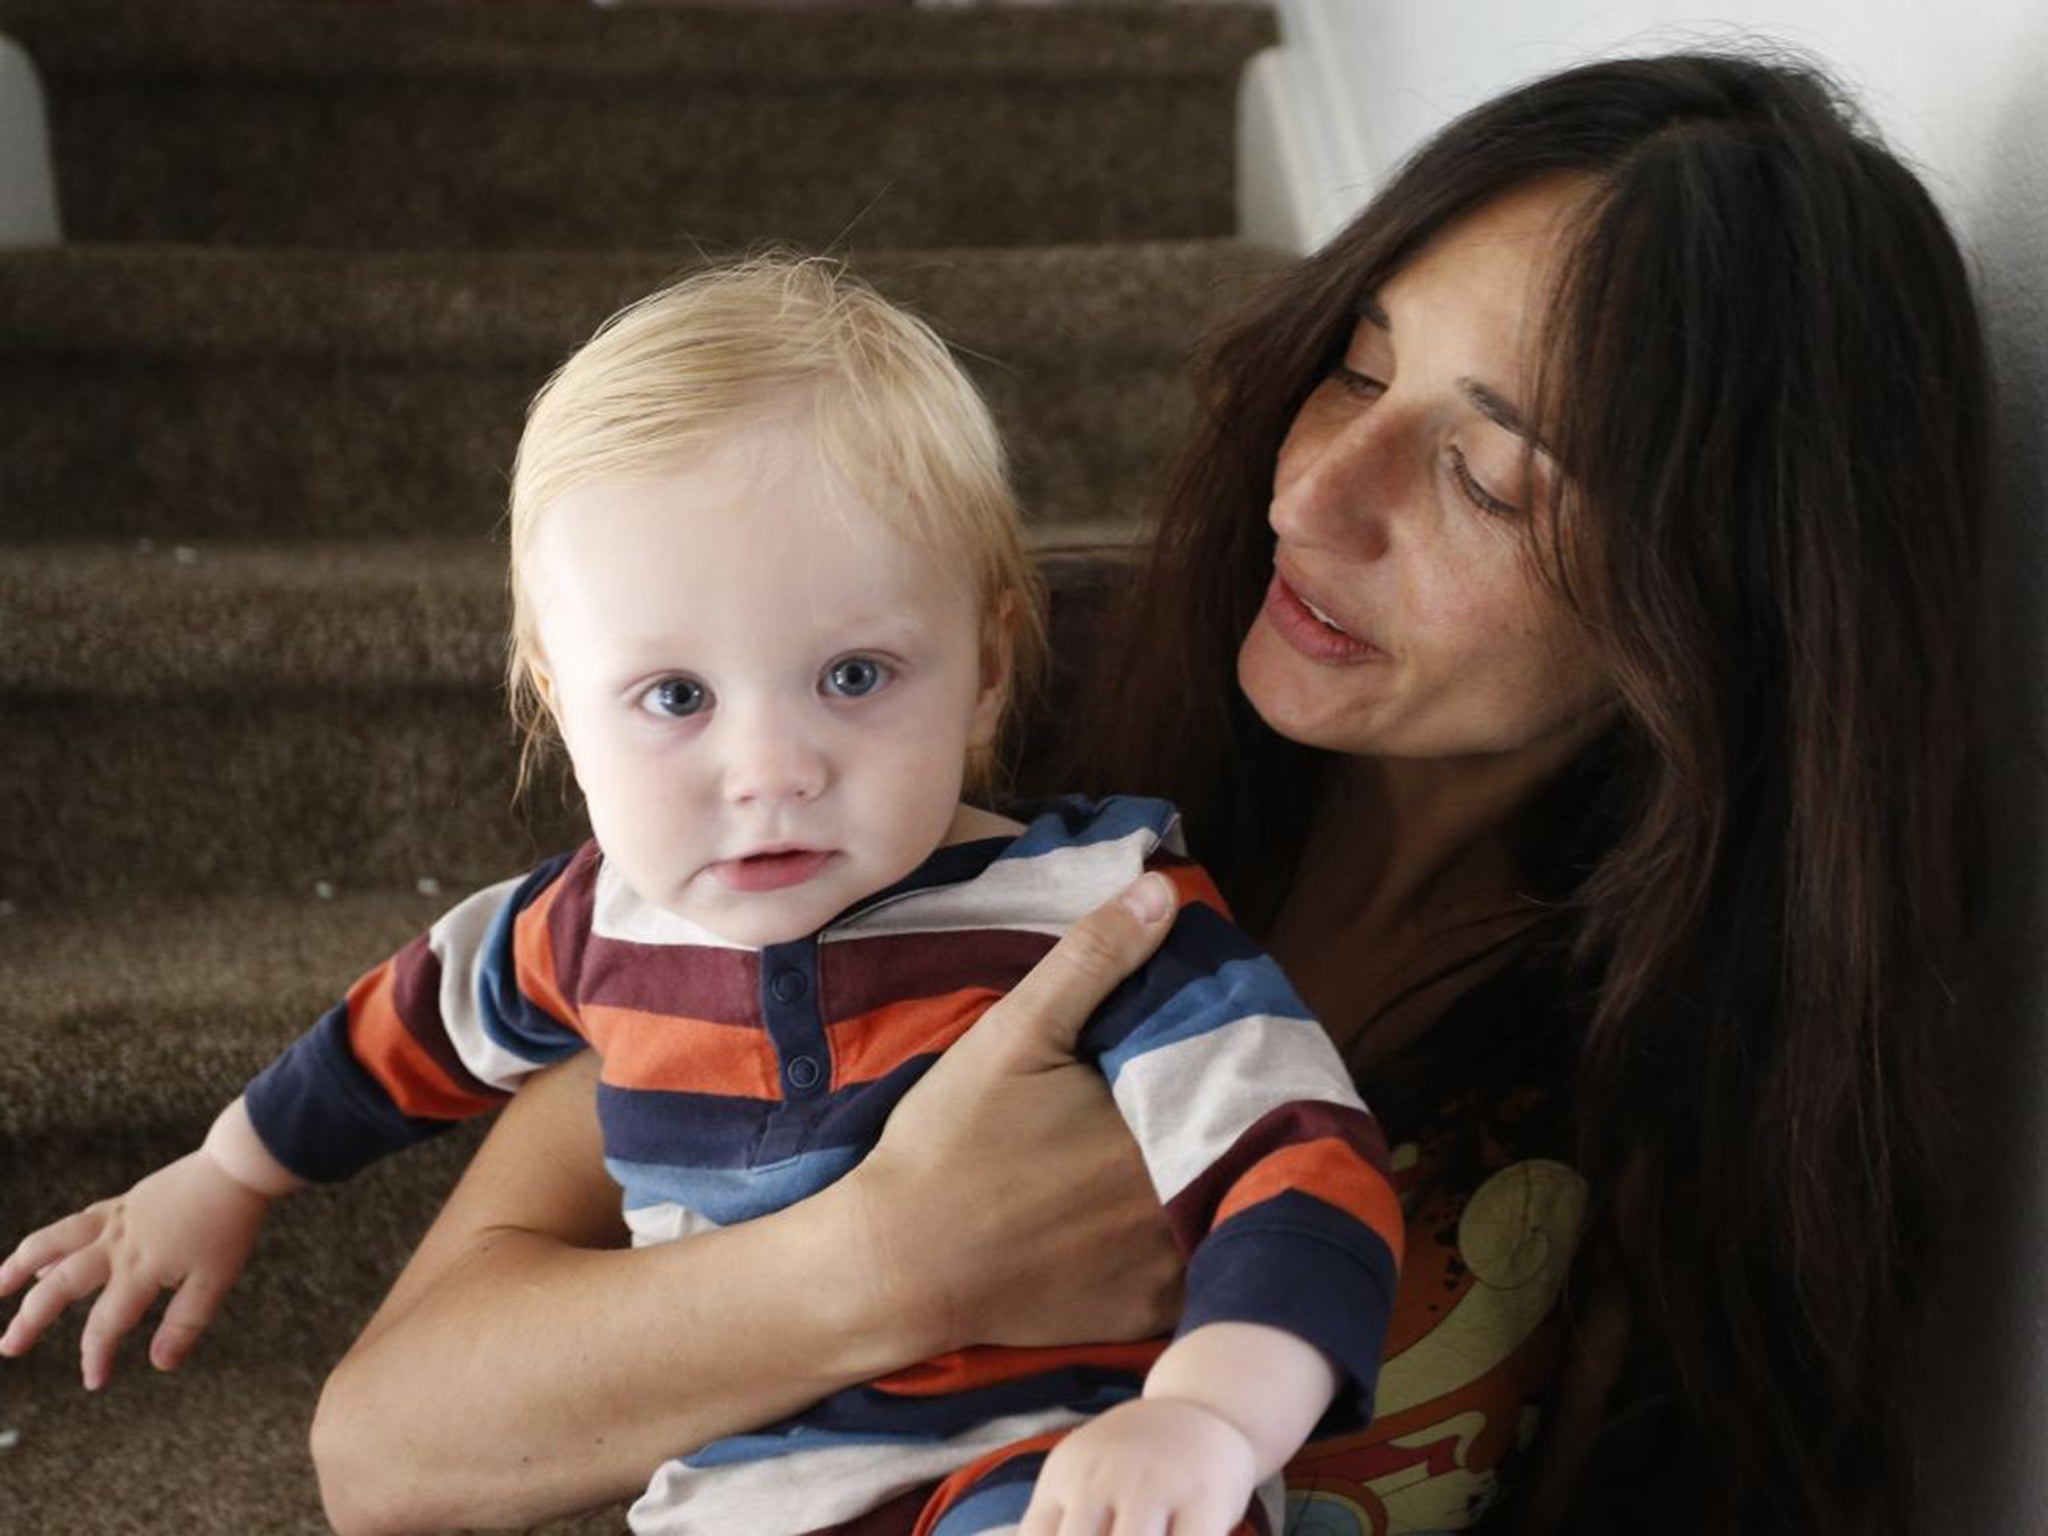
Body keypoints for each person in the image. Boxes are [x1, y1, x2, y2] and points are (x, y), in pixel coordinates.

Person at [135, 49, 1986, 1536]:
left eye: (1490, 480)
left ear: (1727, 598)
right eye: (1350, 371)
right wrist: (891, 1260)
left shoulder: (1710, 1054)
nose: (1309, 499)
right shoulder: (938, 748)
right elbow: (385, 1448)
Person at [0, 257, 1405, 1534]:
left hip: (1041, 1479)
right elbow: (404, 1030)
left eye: (855, 676)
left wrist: (1211, 1414)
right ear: (560, 705)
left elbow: (1300, 1162)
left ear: (986, 664)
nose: (772, 771)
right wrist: (228, 1172)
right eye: (674, 697)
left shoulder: (1102, 907)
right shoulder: (590, 924)